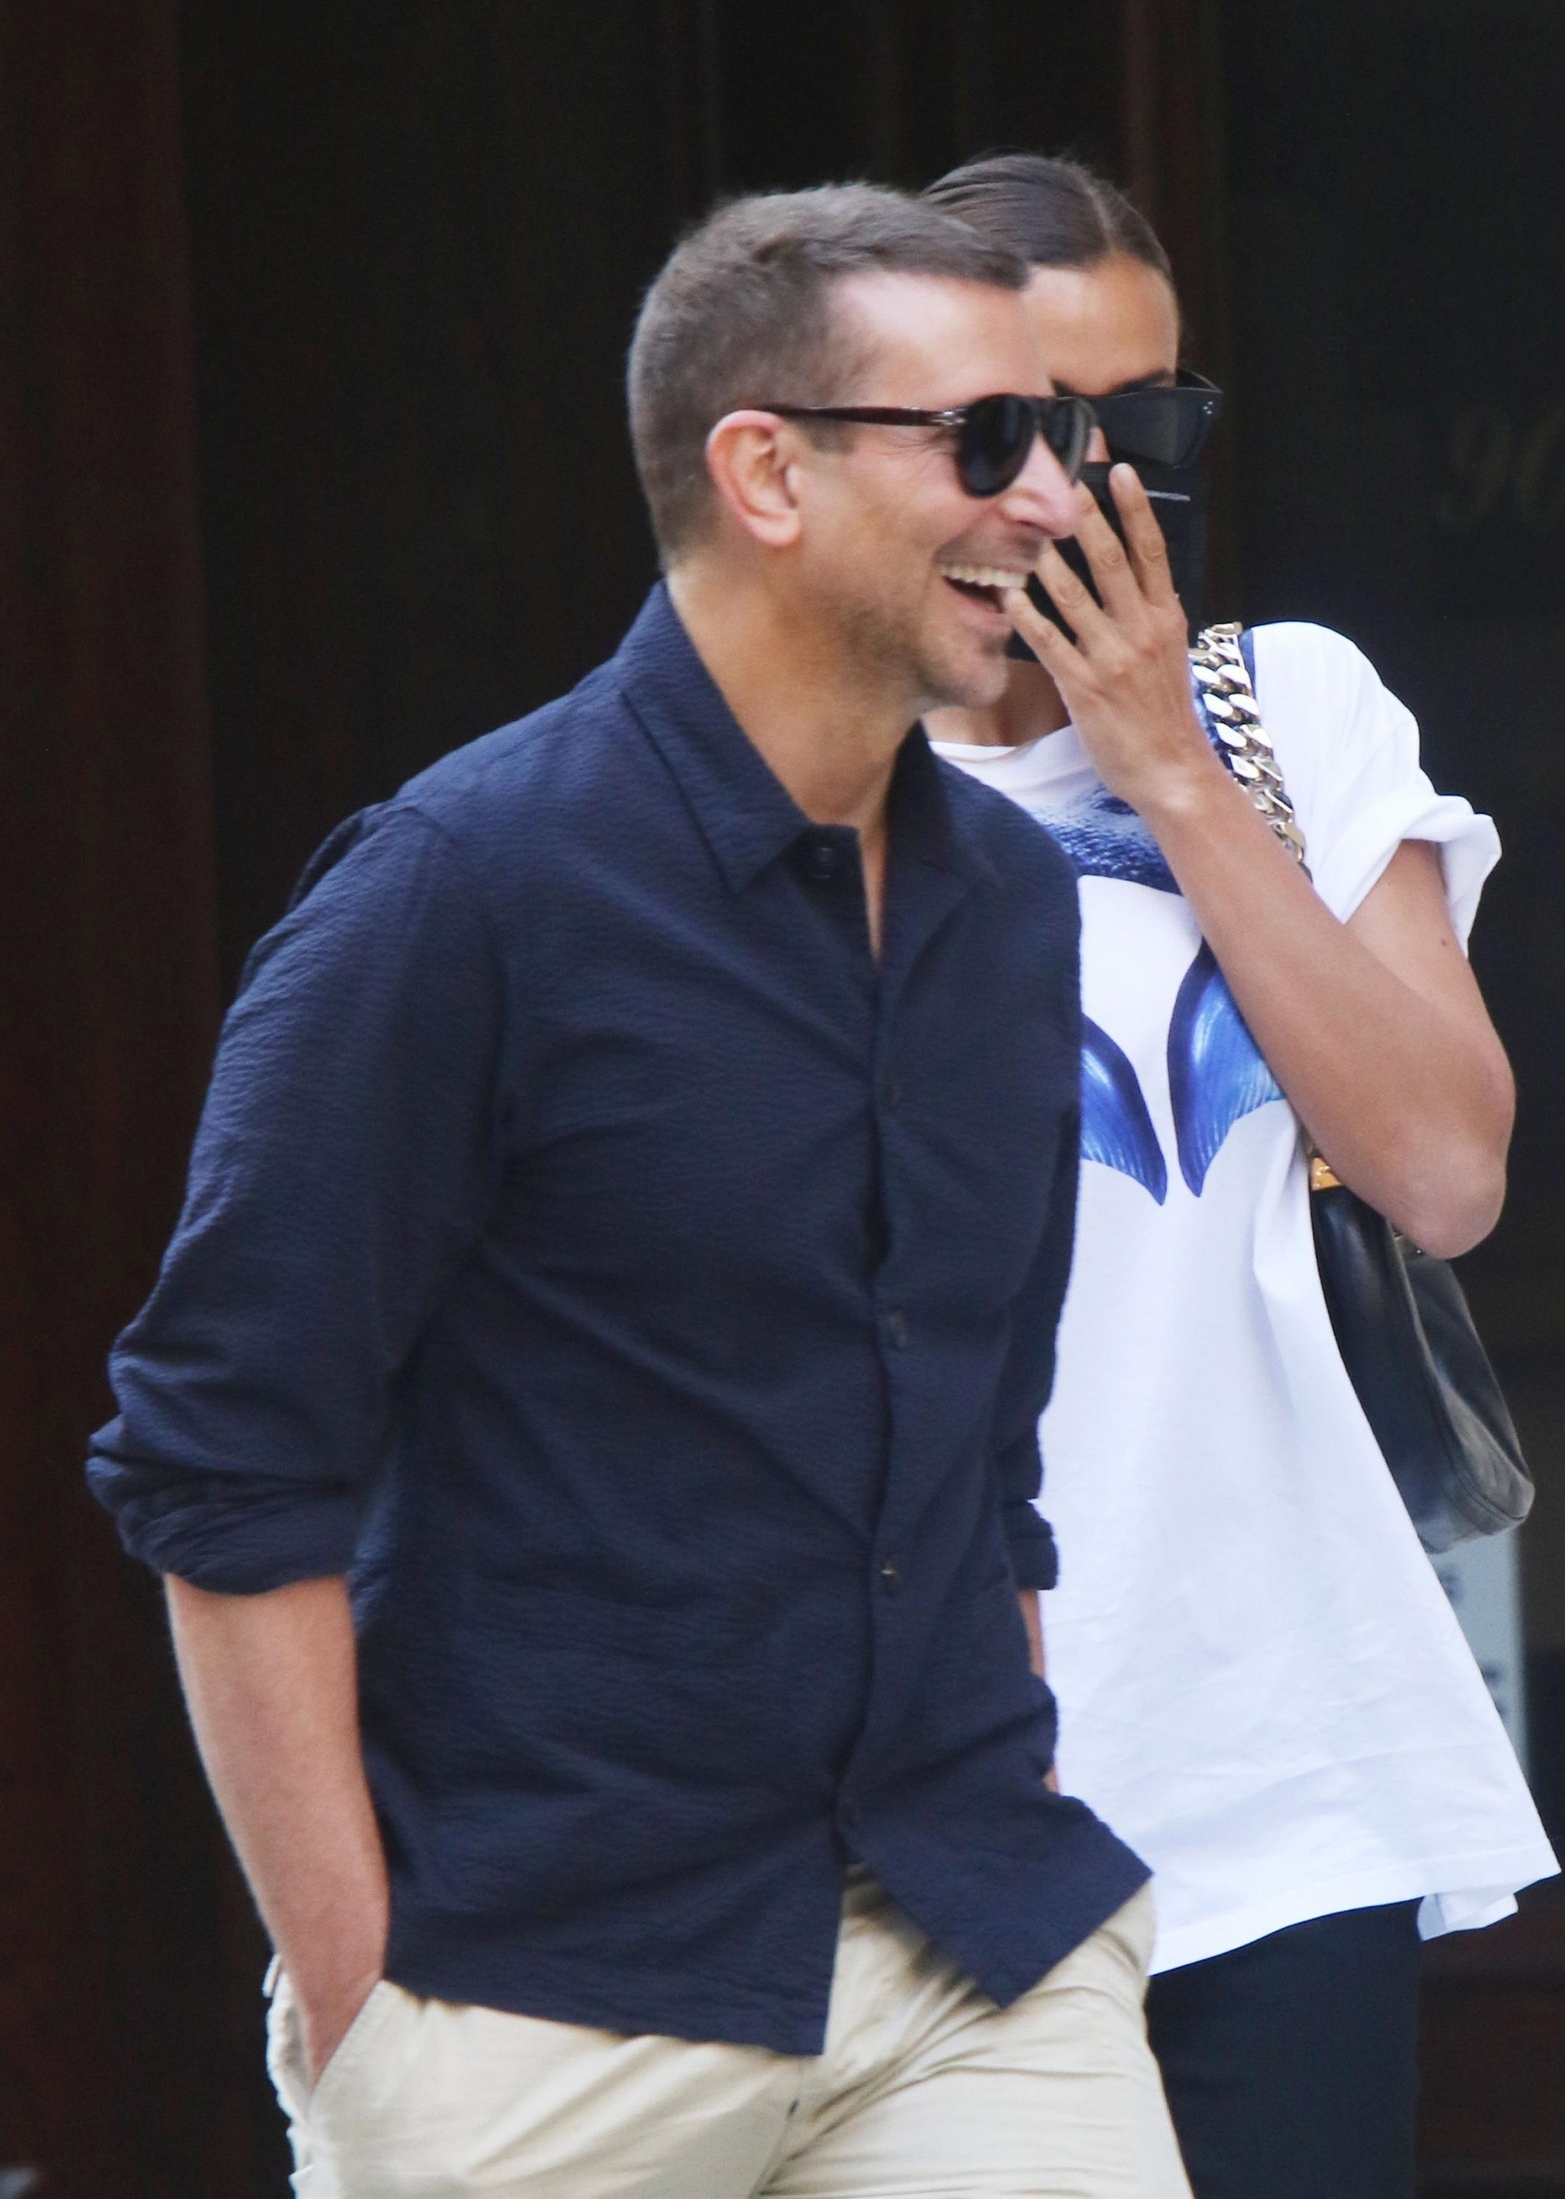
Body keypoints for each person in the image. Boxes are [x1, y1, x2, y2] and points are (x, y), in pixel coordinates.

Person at [87, 184, 1193, 2199]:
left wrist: (1010, 1764)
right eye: (984, 439)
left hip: (970, 1946)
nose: (1054, 498)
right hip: (538, 1992)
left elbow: (983, 1447)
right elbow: (224, 1461)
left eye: (1060, 435)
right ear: (763, 472)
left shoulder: (1012, 908)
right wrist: (362, 2010)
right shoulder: (460, 890)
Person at [922, 152, 1557, 2199]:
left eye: (1150, 419)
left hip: (1277, 1758)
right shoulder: (806, 777)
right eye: (1033, 423)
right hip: (930, 1789)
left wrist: (1170, 775)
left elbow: (1442, 1166)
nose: (1095, 483)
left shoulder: (1283, 705)